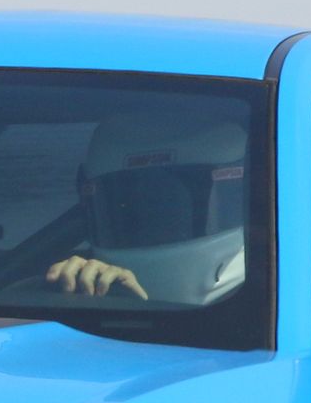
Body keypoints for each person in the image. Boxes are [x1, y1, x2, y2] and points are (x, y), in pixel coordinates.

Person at [43, 113, 249, 302]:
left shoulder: (262, 296)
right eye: (128, 209)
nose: (154, 219)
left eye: (169, 204)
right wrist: (76, 290)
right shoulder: (82, 281)